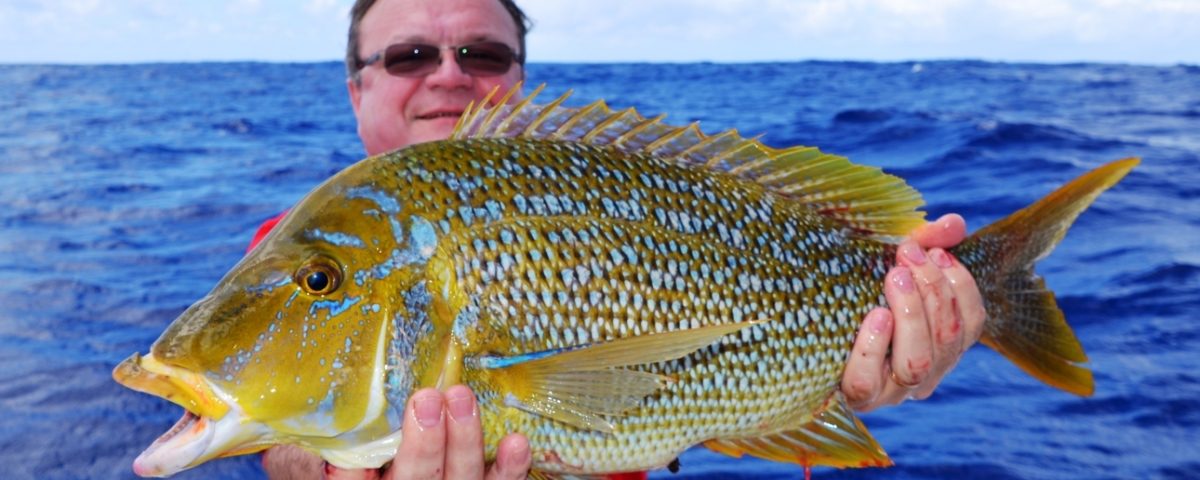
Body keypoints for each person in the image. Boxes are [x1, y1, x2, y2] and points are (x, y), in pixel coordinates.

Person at [256, 0, 986, 478]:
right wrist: (312, 462)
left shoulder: (616, 183)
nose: (448, 77)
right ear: (356, 90)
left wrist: (894, 322)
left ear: (520, 78)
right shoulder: (293, 248)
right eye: (408, 56)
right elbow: (266, 404)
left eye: (482, 55)